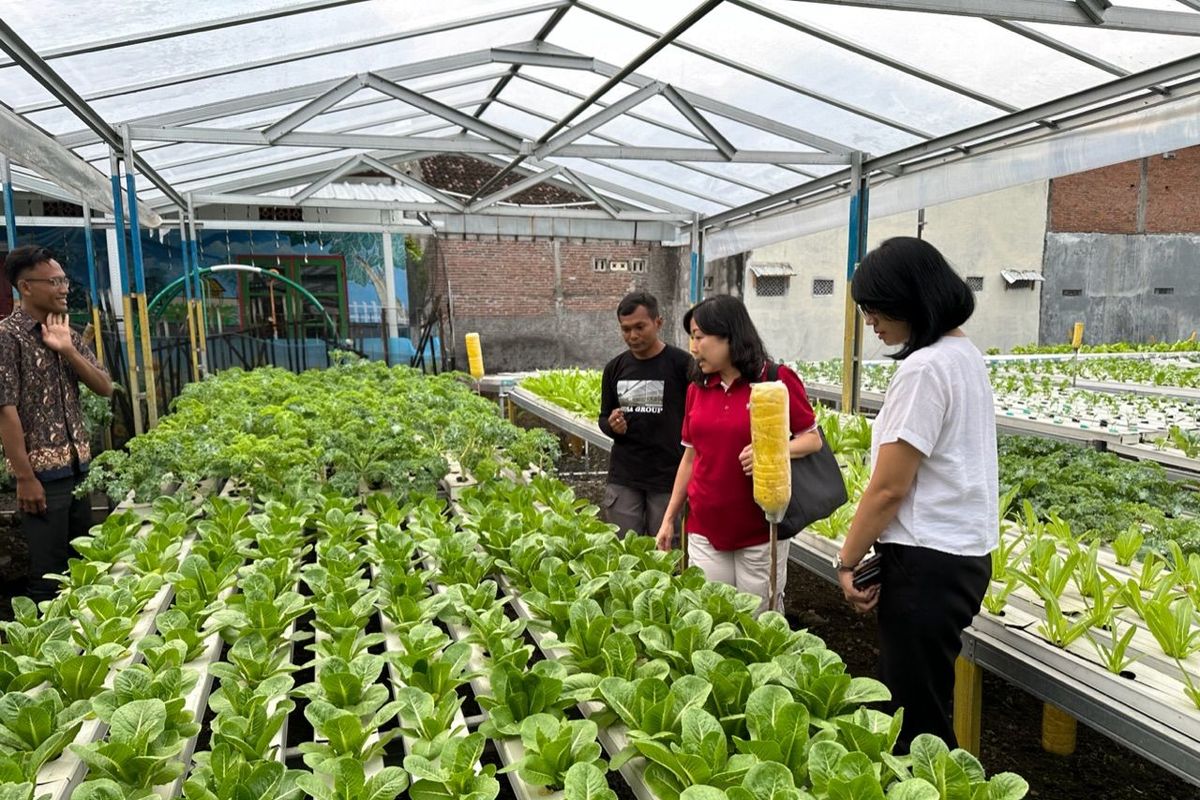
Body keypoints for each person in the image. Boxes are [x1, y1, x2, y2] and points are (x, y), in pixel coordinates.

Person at [835, 236, 996, 753]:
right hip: (958, 557)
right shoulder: (963, 354)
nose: (871, 322)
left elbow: (888, 487)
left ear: (912, 299)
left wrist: (847, 559)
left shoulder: (924, 369)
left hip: (928, 563)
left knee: (913, 719)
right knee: (919, 698)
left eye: (876, 308)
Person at [655, 295, 822, 614]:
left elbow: (811, 440)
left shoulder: (775, 380)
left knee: (758, 619)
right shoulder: (697, 389)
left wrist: (770, 450)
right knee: (711, 618)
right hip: (704, 526)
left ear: (729, 335)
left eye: (699, 336)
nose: (693, 347)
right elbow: (690, 458)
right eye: (691, 336)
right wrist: (669, 519)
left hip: (760, 528)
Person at [0, 245, 113, 602]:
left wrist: (68, 350)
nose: (65, 288)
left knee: (84, 566)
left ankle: (85, 648)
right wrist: (25, 478)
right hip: (42, 479)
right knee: (48, 576)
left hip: (79, 471)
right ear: (26, 287)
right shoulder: (7, 337)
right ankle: (38, 650)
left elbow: (104, 386)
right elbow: (5, 410)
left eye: (64, 279)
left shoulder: (67, 333)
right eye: (55, 281)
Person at [598, 292, 692, 538]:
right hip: (625, 476)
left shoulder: (682, 365)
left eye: (640, 327)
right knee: (625, 550)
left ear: (658, 322)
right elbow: (603, 417)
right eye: (626, 329)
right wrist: (611, 426)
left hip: (668, 477)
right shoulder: (614, 368)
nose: (633, 336)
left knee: (665, 555)